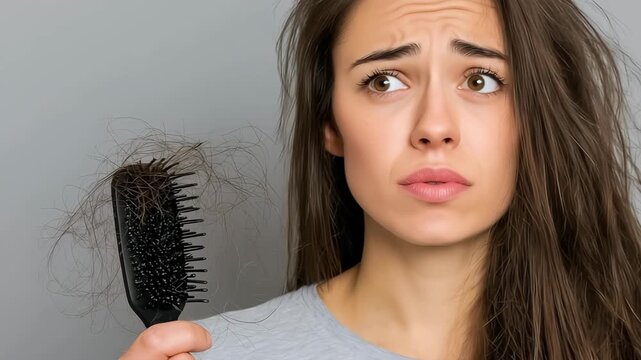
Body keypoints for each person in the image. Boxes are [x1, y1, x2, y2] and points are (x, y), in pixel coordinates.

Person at [120, 0, 641, 358]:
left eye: (480, 80)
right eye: (385, 81)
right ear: (331, 124)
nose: (434, 127)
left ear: (539, 114)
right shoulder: (207, 353)